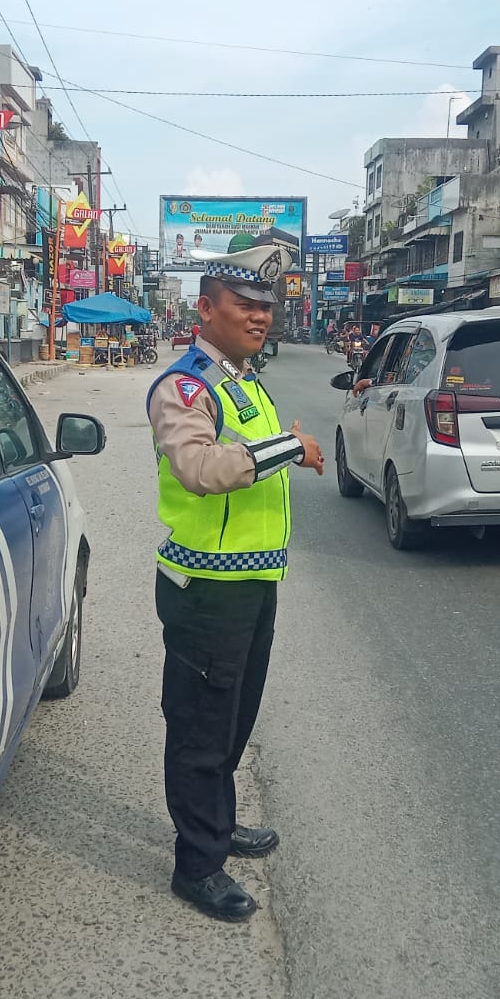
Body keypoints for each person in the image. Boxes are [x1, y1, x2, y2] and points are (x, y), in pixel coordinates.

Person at [145, 241, 325, 922]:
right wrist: (291, 449)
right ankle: (197, 865)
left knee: (234, 719)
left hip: (252, 585)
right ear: (206, 308)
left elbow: (251, 464)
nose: (258, 317)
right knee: (200, 728)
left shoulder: (246, 383)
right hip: (205, 591)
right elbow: (200, 467)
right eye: (244, 305)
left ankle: (216, 822)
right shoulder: (186, 386)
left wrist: (286, 451)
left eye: (266, 307)